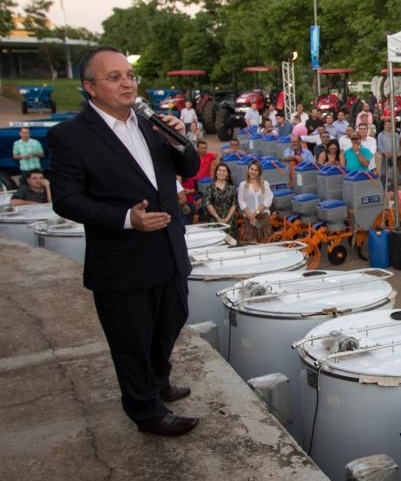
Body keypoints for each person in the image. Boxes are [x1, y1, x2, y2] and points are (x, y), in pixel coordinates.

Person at [48, 46, 200, 436]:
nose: (127, 83)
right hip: (123, 259)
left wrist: (179, 139)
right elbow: (66, 199)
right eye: (114, 77)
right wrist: (126, 219)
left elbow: (190, 167)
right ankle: (146, 410)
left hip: (169, 248)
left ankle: (159, 378)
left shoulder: (152, 123)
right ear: (90, 88)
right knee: (131, 336)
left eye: (130, 75)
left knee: (172, 319)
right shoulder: (70, 136)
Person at [237, 161, 273, 244]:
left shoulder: (265, 184)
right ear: (248, 170)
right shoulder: (243, 185)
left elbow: (268, 199)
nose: (253, 172)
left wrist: (254, 214)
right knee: (252, 243)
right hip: (249, 219)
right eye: (251, 169)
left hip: (263, 217)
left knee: (264, 242)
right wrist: (250, 217)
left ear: (259, 172)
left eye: (256, 170)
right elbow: (241, 201)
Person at [204, 163, 237, 237]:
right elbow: (208, 203)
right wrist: (217, 217)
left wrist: (227, 218)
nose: (221, 172)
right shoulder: (210, 187)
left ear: (227, 174)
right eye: (219, 170)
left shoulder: (232, 187)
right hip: (214, 218)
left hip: (229, 218)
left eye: (224, 171)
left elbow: (234, 204)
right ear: (216, 172)